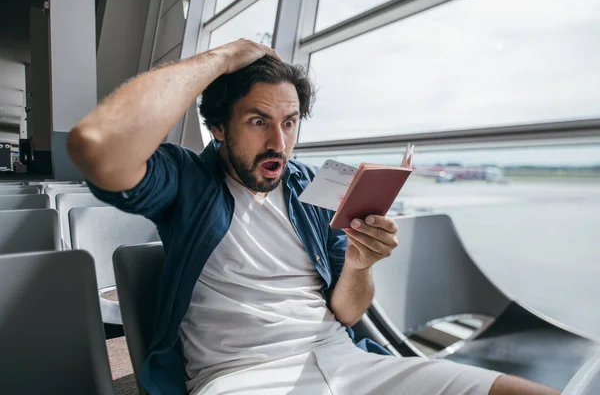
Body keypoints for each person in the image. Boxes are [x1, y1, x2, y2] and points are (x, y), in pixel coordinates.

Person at [68, 39, 559, 395]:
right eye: (258, 121)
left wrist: (362, 265)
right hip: (240, 376)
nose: (278, 144)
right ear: (218, 126)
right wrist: (218, 60)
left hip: (344, 362)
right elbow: (96, 146)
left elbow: (348, 312)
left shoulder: (313, 188)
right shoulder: (187, 182)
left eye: (289, 122)